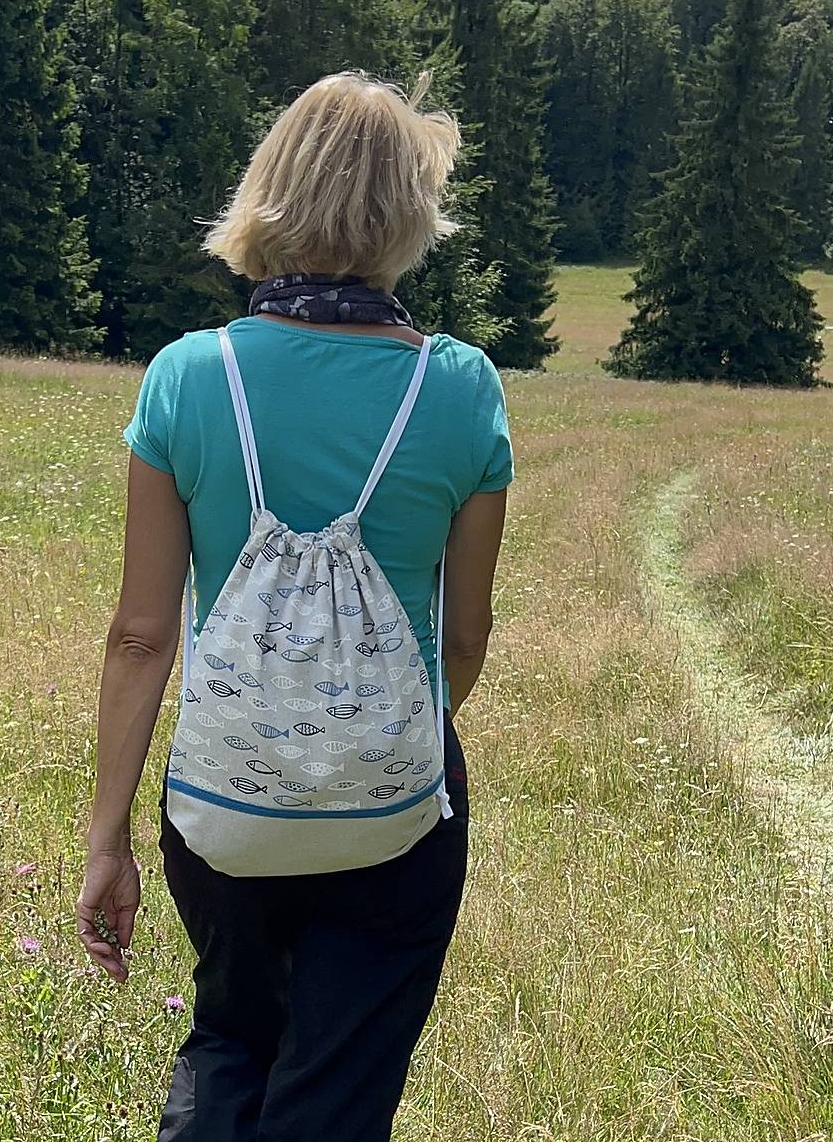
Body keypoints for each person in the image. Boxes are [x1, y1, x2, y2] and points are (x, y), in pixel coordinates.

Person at [75, 70, 512, 1141]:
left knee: (231, 1035)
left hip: (225, 801)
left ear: (266, 191)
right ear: (410, 211)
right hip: (394, 809)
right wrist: (364, 740)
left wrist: (107, 838)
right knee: (337, 1086)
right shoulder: (460, 388)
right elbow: (464, 636)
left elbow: (140, 634)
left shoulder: (189, 377)